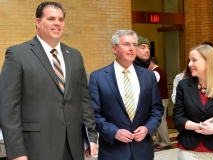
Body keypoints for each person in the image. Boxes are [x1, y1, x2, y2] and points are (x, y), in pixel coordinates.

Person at [0, 2, 97, 160]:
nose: (57, 23)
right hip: (37, 148)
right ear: (38, 22)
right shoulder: (17, 55)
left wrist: (91, 136)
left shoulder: (74, 55)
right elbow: (8, 108)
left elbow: (84, 100)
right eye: (51, 18)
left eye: (61, 19)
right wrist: (17, 153)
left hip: (73, 147)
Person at [89, 30, 164, 160]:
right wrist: (114, 132)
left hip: (143, 151)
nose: (131, 49)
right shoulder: (98, 77)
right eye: (126, 44)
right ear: (114, 48)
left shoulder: (148, 76)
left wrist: (147, 128)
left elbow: (157, 109)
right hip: (113, 151)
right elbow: (93, 114)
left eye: (134, 45)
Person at [172, 44, 213, 160]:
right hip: (188, 150)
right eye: (189, 60)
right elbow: (178, 117)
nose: (189, 64)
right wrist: (198, 126)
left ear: (208, 62)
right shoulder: (184, 85)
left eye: (194, 60)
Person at [148, 57, 171, 149]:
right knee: (157, 120)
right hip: (162, 98)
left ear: (150, 63)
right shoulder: (158, 70)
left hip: (161, 99)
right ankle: (159, 140)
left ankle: (166, 141)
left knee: (161, 121)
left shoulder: (155, 72)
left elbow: (151, 86)